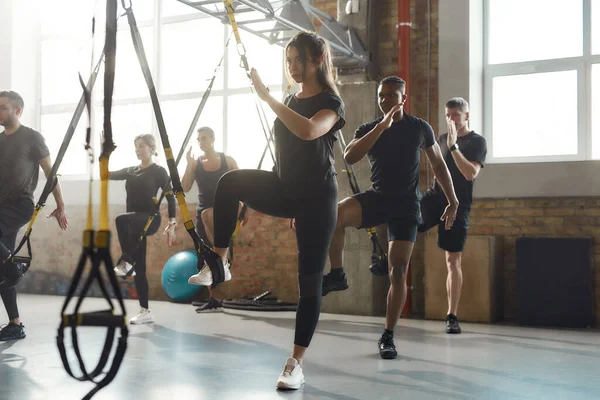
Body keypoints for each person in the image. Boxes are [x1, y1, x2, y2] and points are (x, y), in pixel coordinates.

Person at [187, 32, 345, 390]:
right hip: (285, 187)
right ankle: (219, 262)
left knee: (308, 282)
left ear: (317, 60)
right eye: (287, 61)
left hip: (318, 199)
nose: (291, 67)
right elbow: (288, 150)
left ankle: (295, 363)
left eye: (296, 60)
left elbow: (307, 131)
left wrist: (267, 96)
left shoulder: (331, 102)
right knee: (229, 183)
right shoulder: (291, 97)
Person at [320, 76, 459, 359]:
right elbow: (349, 156)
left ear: (403, 98)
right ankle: (337, 274)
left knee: (397, 270)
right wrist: (382, 126)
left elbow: (439, 165)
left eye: (392, 95)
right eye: (382, 96)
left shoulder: (419, 128)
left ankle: (388, 335)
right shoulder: (370, 127)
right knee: (334, 216)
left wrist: (453, 200)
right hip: (378, 198)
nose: (385, 100)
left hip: (407, 205)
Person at [0, 90, 68, 341]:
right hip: (0, 208)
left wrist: (60, 204)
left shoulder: (31, 138)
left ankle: (13, 264)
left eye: (4, 107)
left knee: (7, 265)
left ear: (18, 110)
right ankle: (15, 324)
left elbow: (51, 173)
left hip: (20, 205)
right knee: (2, 270)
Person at [418, 97, 487, 334]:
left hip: (459, 206)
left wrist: (455, 146)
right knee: (406, 219)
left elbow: (470, 174)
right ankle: (383, 255)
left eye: (455, 115)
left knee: (452, 260)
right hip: (437, 198)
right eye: (448, 115)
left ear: (466, 116)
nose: (451, 120)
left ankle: (451, 316)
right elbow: (437, 170)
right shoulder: (441, 139)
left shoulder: (477, 141)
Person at [110, 134, 177, 325]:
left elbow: (170, 197)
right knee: (140, 269)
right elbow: (105, 174)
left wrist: (172, 223)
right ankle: (145, 310)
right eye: (136, 147)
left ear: (152, 147)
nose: (138, 150)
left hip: (149, 219)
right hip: (133, 223)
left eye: (141, 146)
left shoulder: (159, 171)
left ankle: (126, 260)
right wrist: (103, 156)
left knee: (120, 220)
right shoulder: (131, 171)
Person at [181, 126, 248, 248]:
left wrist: (245, 210)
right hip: (203, 215)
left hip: (225, 212)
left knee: (223, 259)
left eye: (204, 138)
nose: (200, 142)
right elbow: (184, 188)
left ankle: (222, 258)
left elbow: (242, 187)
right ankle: (219, 257)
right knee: (206, 256)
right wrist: (189, 164)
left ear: (213, 139)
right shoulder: (196, 164)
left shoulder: (228, 161)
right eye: (198, 140)